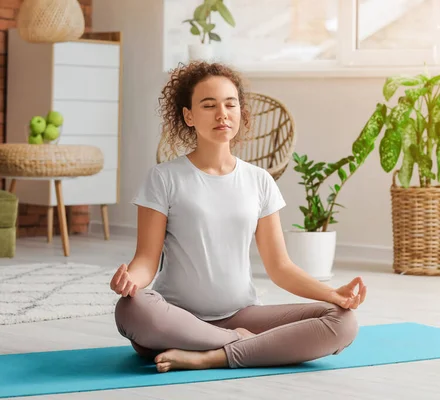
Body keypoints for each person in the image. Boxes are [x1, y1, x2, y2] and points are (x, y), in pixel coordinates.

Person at [109, 61, 367, 373]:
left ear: (240, 113)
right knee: (132, 310)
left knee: (343, 322)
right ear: (188, 116)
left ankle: (210, 356)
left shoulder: (260, 181)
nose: (222, 114)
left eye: (231, 104)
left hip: (241, 313)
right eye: (209, 105)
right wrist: (131, 281)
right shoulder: (164, 178)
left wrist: (332, 294)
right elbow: (146, 260)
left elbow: (280, 267)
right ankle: (241, 343)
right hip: (175, 318)